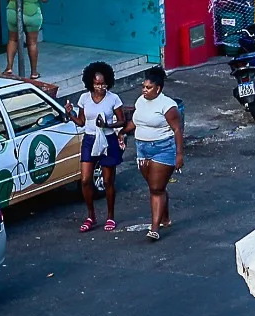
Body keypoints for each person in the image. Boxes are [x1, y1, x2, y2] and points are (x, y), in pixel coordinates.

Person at [122, 66, 183, 241]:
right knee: (156, 187)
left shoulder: (168, 106)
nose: (144, 90)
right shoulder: (141, 101)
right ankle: (165, 218)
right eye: (143, 87)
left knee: (156, 189)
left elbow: (177, 130)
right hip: (142, 148)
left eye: (148, 88)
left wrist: (179, 154)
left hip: (163, 149)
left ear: (158, 88)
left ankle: (154, 228)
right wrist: (122, 132)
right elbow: (136, 122)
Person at [66, 61, 124, 233]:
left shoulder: (113, 98)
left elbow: (122, 120)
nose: (101, 87)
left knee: (107, 181)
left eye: (103, 84)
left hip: (107, 140)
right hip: (90, 140)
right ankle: (91, 215)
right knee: (85, 180)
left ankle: (110, 216)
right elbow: (81, 122)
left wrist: (108, 124)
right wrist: (69, 113)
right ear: (90, 83)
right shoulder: (84, 98)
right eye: (97, 84)